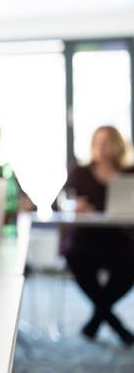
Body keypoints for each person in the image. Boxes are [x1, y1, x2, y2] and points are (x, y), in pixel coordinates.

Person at [56, 125, 134, 346]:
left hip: (120, 241)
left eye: (106, 141)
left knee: (129, 269)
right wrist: (74, 205)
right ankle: (116, 325)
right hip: (84, 242)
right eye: (97, 141)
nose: (101, 145)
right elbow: (58, 203)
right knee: (75, 259)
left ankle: (96, 320)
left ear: (116, 145)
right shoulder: (79, 172)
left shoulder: (130, 173)